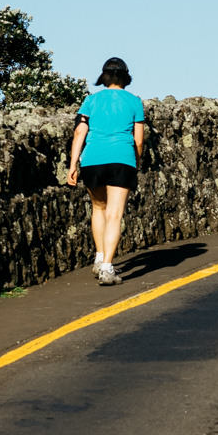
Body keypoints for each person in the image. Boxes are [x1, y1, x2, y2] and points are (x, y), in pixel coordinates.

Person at [67, 57, 148, 285]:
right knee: (115, 214)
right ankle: (107, 269)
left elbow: (79, 133)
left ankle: (99, 257)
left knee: (98, 209)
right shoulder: (134, 101)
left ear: (104, 76)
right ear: (125, 76)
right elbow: (139, 140)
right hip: (122, 159)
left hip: (92, 160)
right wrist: (136, 162)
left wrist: (73, 165)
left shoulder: (90, 100)